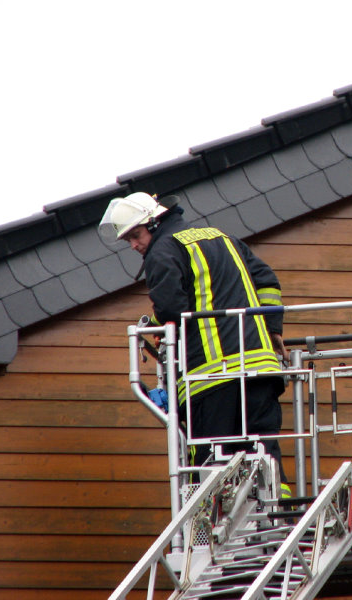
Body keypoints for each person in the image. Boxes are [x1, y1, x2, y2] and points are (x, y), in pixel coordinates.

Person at [99, 192, 289, 489]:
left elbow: (170, 309)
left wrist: (159, 331)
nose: (134, 245)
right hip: (260, 372)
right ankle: (281, 514)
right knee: (267, 460)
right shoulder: (221, 236)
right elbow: (265, 279)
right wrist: (272, 330)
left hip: (210, 381)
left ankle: (210, 532)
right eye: (127, 241)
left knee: (211, 470)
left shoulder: (162, 251)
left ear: (153, 222)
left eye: (135, 236)